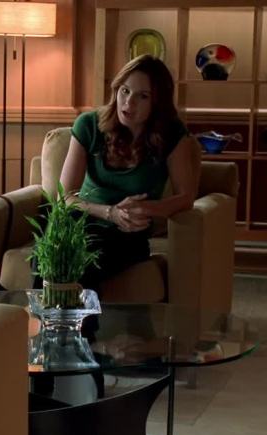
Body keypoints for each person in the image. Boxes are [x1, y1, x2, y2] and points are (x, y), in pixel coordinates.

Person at [59, 54, 198, 288]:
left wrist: (143, 209)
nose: (128, 103)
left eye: (143, 96)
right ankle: (47, 313)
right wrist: (110, 212)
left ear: (157, 103)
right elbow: (64, 197)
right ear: (116, 90)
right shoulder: (88, 125)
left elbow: (186, 197)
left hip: (129, 233)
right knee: (51, 257)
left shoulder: (172, 133)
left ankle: (74, 313)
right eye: (125, 91)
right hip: (83, 221)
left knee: (86, 263)